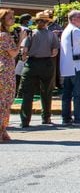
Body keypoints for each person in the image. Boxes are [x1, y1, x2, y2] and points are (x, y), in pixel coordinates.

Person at [19, 11, 59, 127]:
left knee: (27, 94)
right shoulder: (52, 35)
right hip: (46, 63)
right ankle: (46, 118)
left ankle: (25, 120)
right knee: (46, 92)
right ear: (47, 22)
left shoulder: (31, 34)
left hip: (31, 63)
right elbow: (54, 53)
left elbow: (24, 52)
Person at [0, 8, 20, 141]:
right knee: (4, 101)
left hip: (7, 69)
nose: (13, 20)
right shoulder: (3, 35)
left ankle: (3, 130)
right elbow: (13, 53)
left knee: (7, 101)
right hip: (4, 70)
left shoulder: (6, 34)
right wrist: (21, 41)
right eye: (10, 18)